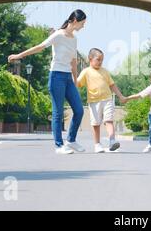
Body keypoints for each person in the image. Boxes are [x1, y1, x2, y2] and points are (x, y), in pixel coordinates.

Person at [8, 9, 87, 155]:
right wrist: (19, 55)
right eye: (83, 23)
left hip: (68, 78)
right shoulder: (58, 35)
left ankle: (71, 140)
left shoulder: (74, 39)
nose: (83, 26)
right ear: (75, 21)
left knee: (79, 110)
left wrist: (75, 80)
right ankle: (59, 145)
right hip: (56, 76)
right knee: (57, 113)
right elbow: (39, 47)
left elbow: (74, 61)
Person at [77, 48, 125, 153]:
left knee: (109, 120)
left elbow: (112, 85)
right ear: (90, 59)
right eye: (98, 59)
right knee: (95, 124)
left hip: (107, 99)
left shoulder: (105, 71)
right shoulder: (86, 72)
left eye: (102, 60)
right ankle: (97, 144)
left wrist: (120, 96)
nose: (100, 62)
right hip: (94, 101)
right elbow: (78, 84)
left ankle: (112, 141)